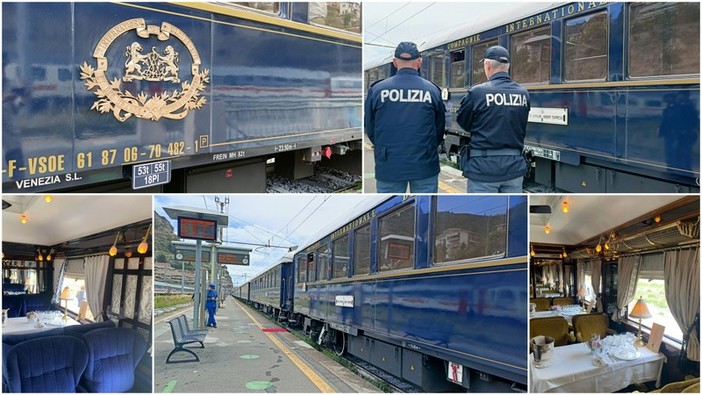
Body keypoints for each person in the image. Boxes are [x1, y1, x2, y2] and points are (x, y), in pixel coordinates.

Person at [365, 41, 446, 193]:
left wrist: (383, 147)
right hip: (424, 163)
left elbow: (370, 127)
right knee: (424, 207)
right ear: (419, 62)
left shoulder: (377, 90)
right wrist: (429, 147)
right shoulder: (432, 90)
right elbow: (439, 127)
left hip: (389, 164)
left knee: (389, 208)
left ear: (395, 62)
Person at [456, 45, 530, 193]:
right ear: (507, 66)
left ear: (487, 65)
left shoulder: (477, 92)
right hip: (514, 168)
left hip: (483, 170)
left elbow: (463, 122)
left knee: (482, 212)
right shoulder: (523, 93)